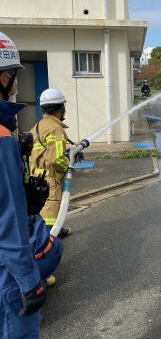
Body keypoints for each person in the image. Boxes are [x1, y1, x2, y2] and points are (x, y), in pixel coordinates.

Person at [0, 31, 46, 338]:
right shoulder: (2, 138)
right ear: (4, 78)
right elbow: (8, 220)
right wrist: (29, 280)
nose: (17, 84)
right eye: (15, 76)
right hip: (8, 270)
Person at [29, 88, 72, 238]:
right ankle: (47, 246)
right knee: (50, 213)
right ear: (61, 108)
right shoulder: (56, 129)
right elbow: (57, 159)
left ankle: (56, 229)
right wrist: (69, 165)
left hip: (36, 177)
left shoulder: (37, 127)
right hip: (50, 179)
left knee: (42, 211)